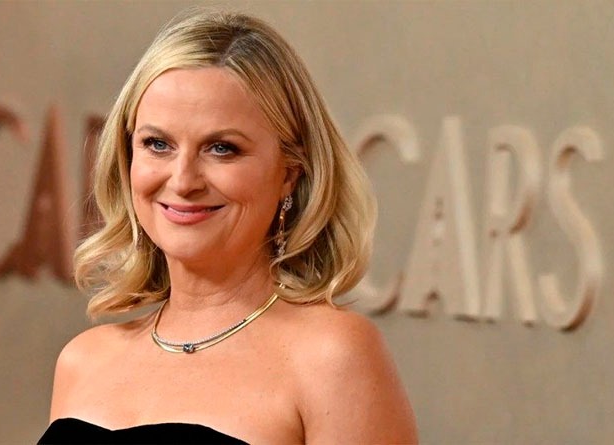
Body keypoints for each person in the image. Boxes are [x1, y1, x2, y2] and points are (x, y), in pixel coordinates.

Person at [40, 9, 417, 444]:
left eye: (221, 148)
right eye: (157, 144)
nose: (183, 180)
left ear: (290, 172)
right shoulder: (82, 361)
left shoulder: (333, 357)